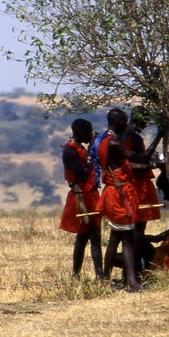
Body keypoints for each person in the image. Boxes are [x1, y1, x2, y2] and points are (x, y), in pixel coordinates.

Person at [95, 108, 158, 292]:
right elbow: (140, 157)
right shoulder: (113, 143)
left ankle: (105, 281)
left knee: (116, 239)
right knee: (128, 239)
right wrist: (159, 137)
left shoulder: (104, 140)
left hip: (114, 192)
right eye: (125, 122)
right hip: (119, 194)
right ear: (120, 123)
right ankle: (131, 283)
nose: (128, 125)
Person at [59, 119, 103, 280]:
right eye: (89, 132)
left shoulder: (78, 148)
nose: (91, 135)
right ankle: (76, 274)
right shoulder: (70, 151)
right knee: (83, 237)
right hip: (81, 198)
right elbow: (82, 174)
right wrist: (91, 155)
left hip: (90, 195)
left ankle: (99, 275)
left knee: (94, 235)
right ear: (81, 132)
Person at [123, 106, 164, 276]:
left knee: (129, 234)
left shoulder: (122, 136)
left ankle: (130, 272)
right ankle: (134, 273)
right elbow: (135, 164)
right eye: (145, 121)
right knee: (137, 234)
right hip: (138, 187)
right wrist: (154, 164)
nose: (145, 124)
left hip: (128, 187)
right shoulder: (134, 139)